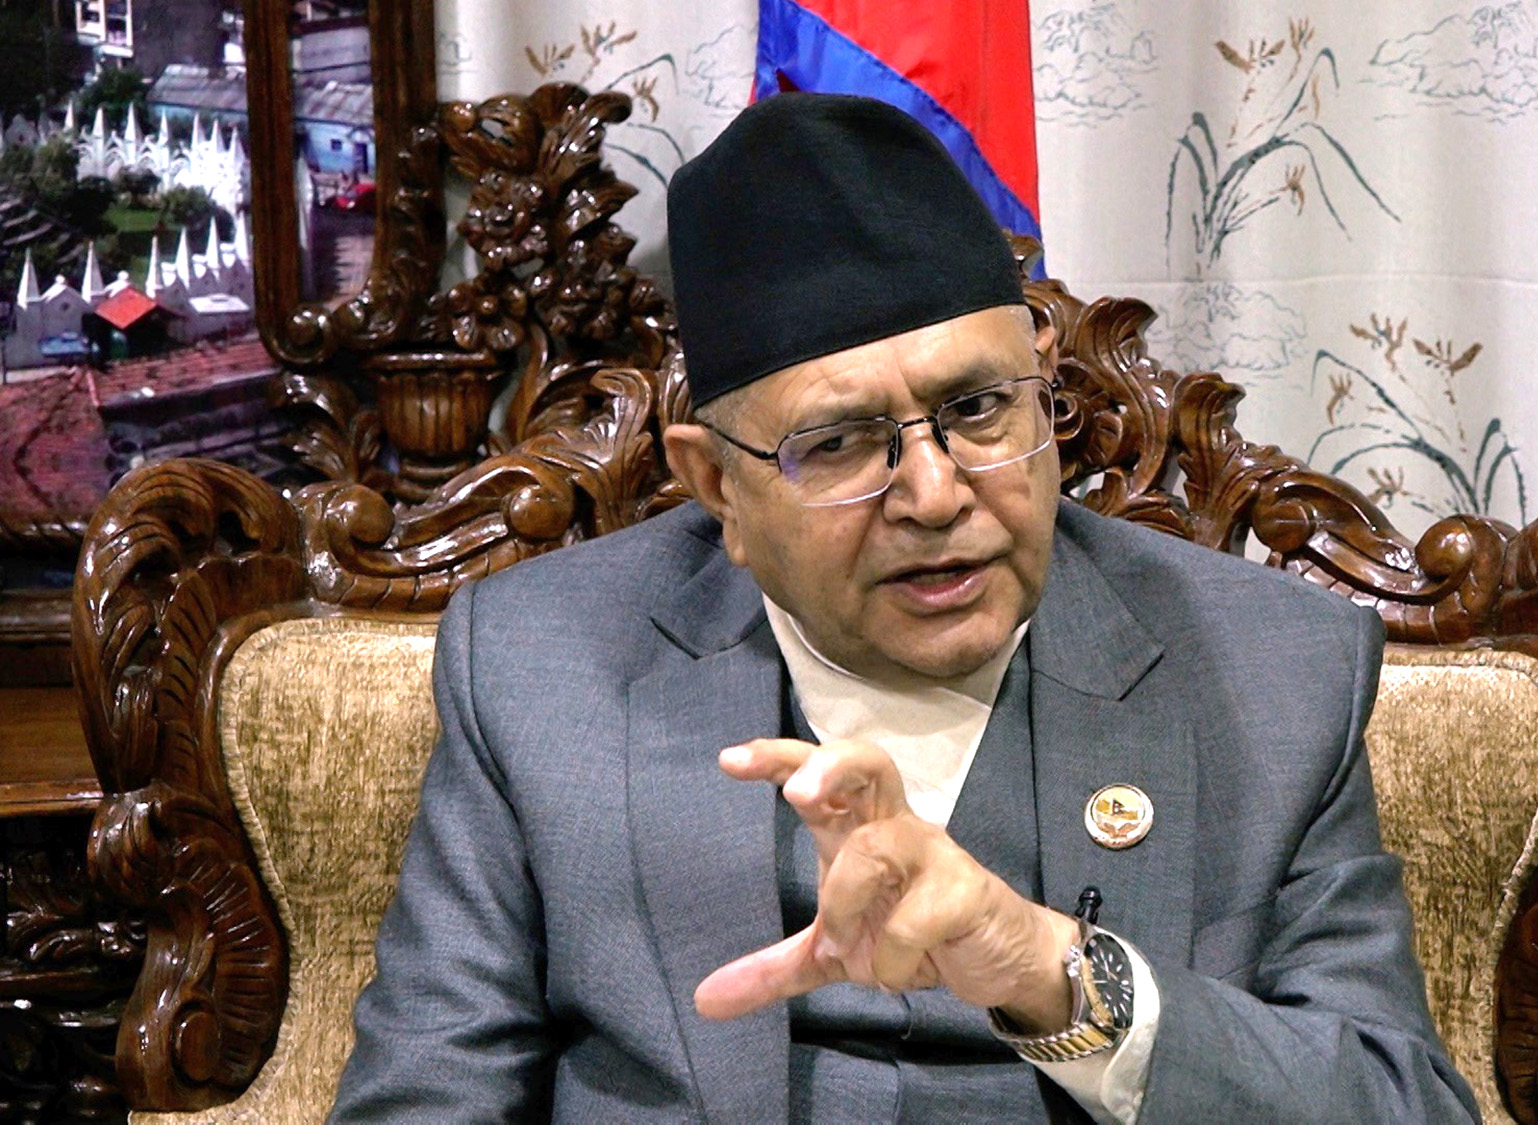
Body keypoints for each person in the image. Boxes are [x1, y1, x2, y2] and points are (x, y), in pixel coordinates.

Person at [332, 93, 1478, 1124]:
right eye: (839, 443)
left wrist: (1047, 971)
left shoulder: (1274, 670)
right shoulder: (536, 668)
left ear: (1043, 388)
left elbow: (1399, 1103)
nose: (933, 496)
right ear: (716, 484)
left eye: (977, 410)